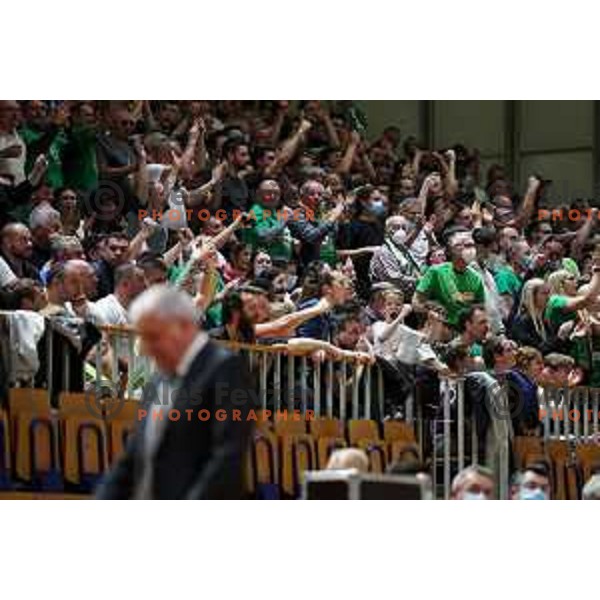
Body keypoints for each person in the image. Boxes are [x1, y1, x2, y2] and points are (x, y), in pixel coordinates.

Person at [96, 286, 255, 499]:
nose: (144, 349)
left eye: (152, 337)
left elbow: (227, 459)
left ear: (184, 326)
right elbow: (134, 457)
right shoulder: (157, 379)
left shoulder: (226, 369)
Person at [413, 228, 485, 328]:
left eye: (470, 245)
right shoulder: (436, 271)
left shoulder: (476, 277)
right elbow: (416, 303)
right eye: (460, 245)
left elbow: (481, 306)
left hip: (465, 330)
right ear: (450, 250)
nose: (467, 249)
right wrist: (430, 308)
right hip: (440, 327)